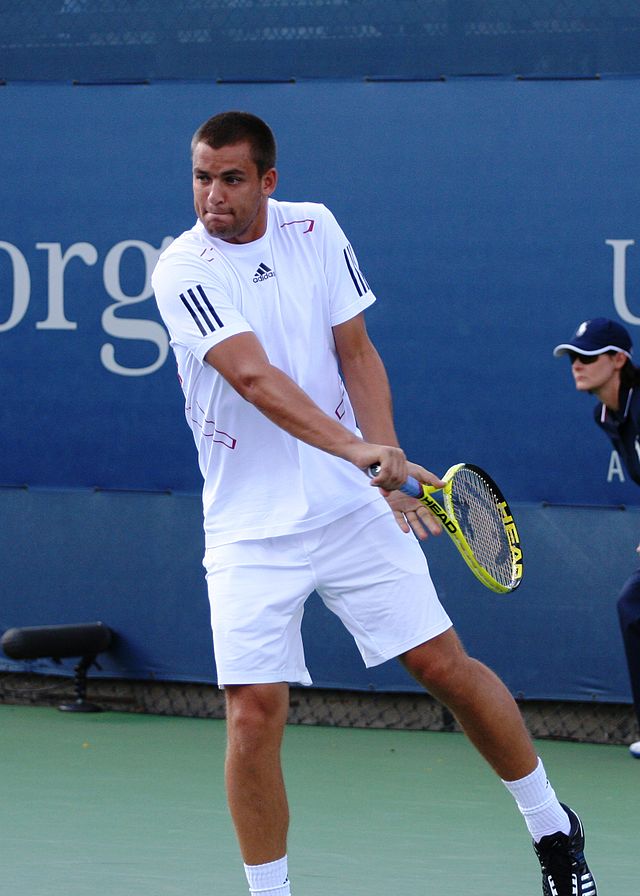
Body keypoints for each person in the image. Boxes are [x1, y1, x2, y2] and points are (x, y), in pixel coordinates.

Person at [152, 110, 597, 896]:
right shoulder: (182, 268)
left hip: (349, 504)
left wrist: (383, 461)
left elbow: (355, 351)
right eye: (200, 177)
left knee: (443, 666)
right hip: (248, 528)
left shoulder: (315, 229)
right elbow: (254, 379)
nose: (212, 196)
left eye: (230, 179)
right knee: (252, 713)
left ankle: (552, 828)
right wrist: (357, 450)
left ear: (267, 181)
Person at [554, 316, 640, 759]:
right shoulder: (607, 413)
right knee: (634, 605)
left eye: (588, 357)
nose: (577, 365)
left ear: (619, 360)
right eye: (573, 357)